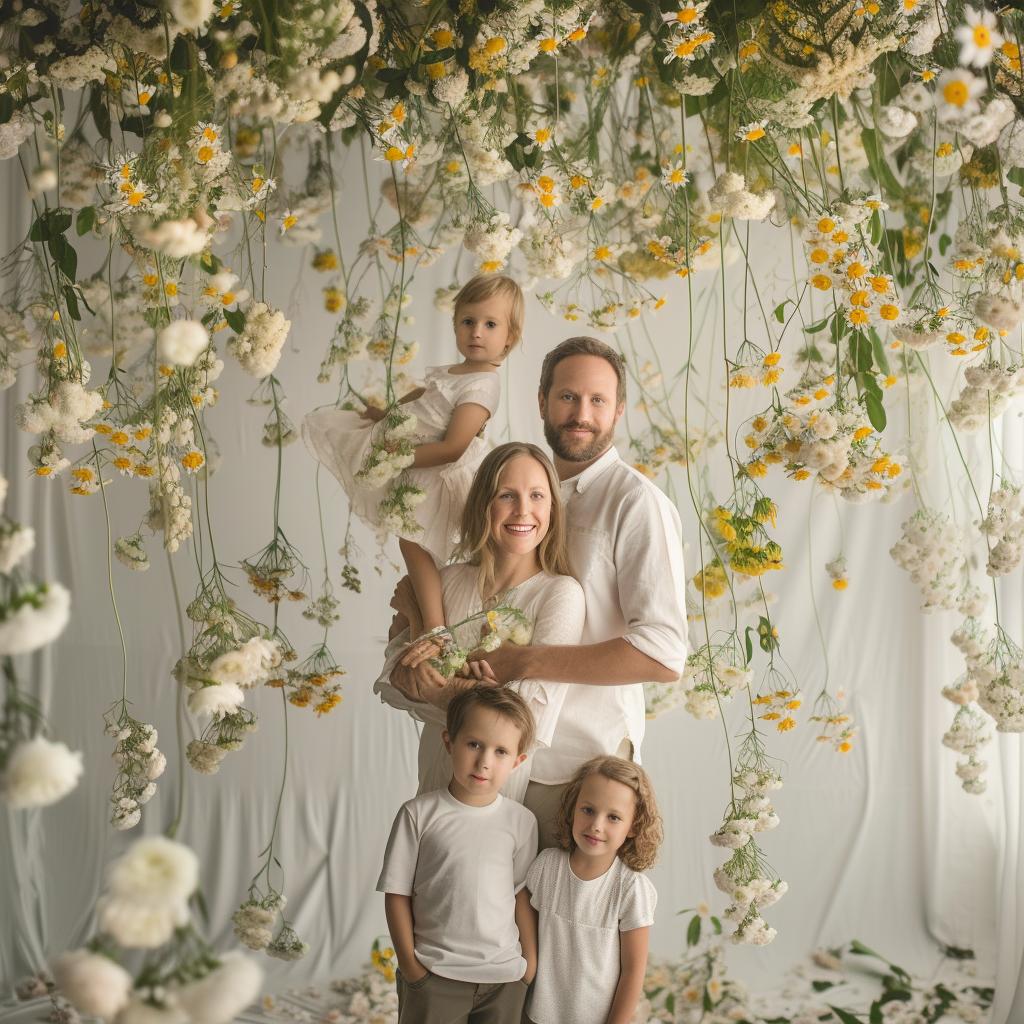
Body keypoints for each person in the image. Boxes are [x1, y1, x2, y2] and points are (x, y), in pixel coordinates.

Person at [391, 337, 687, 846]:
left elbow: (663, 655)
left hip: (576, 770)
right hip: (485, 760)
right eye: (568, 397)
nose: (581, 414)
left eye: (598, 400)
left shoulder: (635, 503)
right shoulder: (523, 485)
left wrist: (522, 663)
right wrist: (423, 619)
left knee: (554, 922)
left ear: (619, 410)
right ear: (542, 401)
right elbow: (432, 554)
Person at [303, 274, 525, 638]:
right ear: (455, 325)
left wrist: (396, 457)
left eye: (490, 324)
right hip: (420, 468)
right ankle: (433, 617)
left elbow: (454, 446)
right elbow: (423, 400)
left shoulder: (483, 385)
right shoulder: (458, 373)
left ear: (509, 337)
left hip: (440, 474)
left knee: (416, 543)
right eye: (467, 322)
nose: (477, 333)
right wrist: (388, 414)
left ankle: (437, 626)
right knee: (415, 544)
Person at [375, 442, 585, 803]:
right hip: (430, 780)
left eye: (537, 495)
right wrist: (465, 687)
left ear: (553, 507)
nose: (523, 510)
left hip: (494, 801)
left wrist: (437, 688)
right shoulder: (451, 579)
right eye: (506, 495)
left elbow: (524, 719)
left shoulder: (560, 594)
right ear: (483, 504)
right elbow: (395, 679)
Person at [377, 686, 539, 1024]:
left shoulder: (521, 821)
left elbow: (520, 893)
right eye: (474, 744)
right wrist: (412, 969)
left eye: (501, 752)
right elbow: (397, 894)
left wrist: (529, 966)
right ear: (449, 742)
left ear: (517, 762)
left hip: (504, 978)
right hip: (435, 977)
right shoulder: (418, 814)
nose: (484, 762)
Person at [524, 756, 662, 1024]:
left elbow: (634, 971)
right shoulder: (546, 866)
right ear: (573, 807)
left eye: (613, 817)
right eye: (588, 810)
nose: (597, 825)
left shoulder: (631, 888)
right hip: (535, 1014)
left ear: (633, 826)